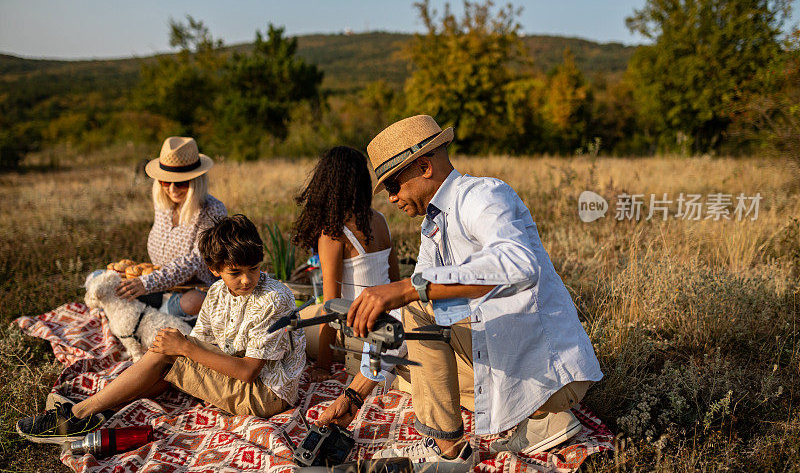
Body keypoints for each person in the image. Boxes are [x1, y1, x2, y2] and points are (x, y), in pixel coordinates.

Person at [318, 115, 603, 470]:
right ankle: (542, 420)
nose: (391, 198)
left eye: (393, 185)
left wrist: (407, 288)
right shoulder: (433, 226)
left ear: (423, 167)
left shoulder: (481, 195)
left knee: (417, 310)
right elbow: (406, 330)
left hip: (548, 369)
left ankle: (448, 450)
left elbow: (518, 264)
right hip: (510, 358)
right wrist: (353, 397)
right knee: (409, 368)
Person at [16, 214, 306, 443]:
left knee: (173, 351)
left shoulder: (274, 298)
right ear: (215, 269)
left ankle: (78, 416)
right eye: (236, 272)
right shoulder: (217, 292)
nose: (247, 279)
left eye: (253, 269)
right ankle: (101, 409)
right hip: (241, 376)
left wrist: (184, 348)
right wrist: (182, 347)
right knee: (169, 348)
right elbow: (197, 347)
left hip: (265, 393)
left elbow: (247, 371)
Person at [292, 146, 401, 382]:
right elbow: (395, 279)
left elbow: (331, 307)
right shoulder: (380, 220)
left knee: (291, 327)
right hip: (389, 319)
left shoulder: (333, 233)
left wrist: (322, 365)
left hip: (357, 329)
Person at [116, 136, 227, 322]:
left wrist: (147, 283)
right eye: (166, 182)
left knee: (192, 302)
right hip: (159, 284)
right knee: (104, 279)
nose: (172, 189)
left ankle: (154, 316)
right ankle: (156, 314)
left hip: (192, 289)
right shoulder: (163, 203)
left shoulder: (212, 209)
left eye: (181, 183)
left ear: (196, 181)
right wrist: (145, 281)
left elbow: (196, 260)